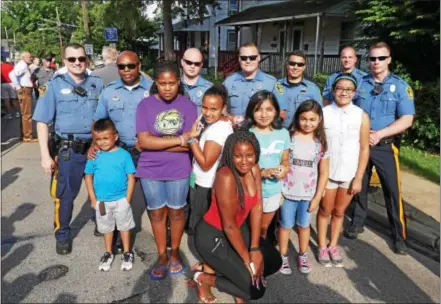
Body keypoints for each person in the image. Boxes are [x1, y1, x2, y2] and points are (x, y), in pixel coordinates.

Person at [189, 130, 282, 303]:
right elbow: (229, 226)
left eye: (249, 155)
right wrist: (247, 261)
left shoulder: (254, 170)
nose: (244, 161)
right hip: (213, 237)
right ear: (230, 155)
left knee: (274, 262)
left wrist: (254, 249)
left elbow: (257, 207)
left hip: (238, 230)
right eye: (238, 156)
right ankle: (203, 278)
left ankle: (227, 271)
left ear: (256, 154)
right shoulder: (225, 176)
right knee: (255, 291)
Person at [32, 43, 104, 255]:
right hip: (69, 150)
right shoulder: (53, 86)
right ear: (64, 62)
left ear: (87, 60)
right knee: (65, 195)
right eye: (72, 59)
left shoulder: (97, 84)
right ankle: (62, 233)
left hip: (95, 148)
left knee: (101, 189)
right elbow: (42, 122)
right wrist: (45, 156)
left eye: (81, 59)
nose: (77, 63)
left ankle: (101, 223)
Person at [344, 42, 415, 255]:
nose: (376, 63)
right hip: (361, 144)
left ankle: (399, 236)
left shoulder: (400, 86)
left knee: (392, 191)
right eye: (372, 59)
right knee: (359, 186)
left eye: (381, 58)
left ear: (389, 59)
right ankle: (357, 222)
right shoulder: (361, 84)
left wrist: (380, 134)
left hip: (385, 146)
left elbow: (407, 119)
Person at [136, 60, 197, 280]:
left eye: (172, 83)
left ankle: (174, 253)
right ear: (157, 84)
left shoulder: (188, 106)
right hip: (150, 169)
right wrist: (179, 139)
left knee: (177, 211)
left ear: (179, 83)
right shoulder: (145, 106)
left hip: (179, 169)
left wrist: (158, 143)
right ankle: (162, 255)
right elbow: (143, 142)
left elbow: (190, 143)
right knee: (157, 212)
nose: (168, 88)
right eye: (163, 83)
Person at [89, 50, 153, 244]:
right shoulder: (109, 91)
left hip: (147, 150)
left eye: (131, 66)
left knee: (152, 195)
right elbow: (99, 121)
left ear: (138, 66)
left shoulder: (152, 88)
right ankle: (115, 235)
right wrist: (94, 144)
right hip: (120, 150)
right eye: (122, 66)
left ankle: (161, 234)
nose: (126, 70)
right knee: (118, 195)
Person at [317, 74, 370, 267]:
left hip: (349, 173)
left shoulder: (361, 116)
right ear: (333, 90)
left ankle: (333, 245)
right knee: (325, 210)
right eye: (340, 88)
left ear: (354, 93)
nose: (344, 92)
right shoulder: (323, 113)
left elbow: (364, 148)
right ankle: (322, 246)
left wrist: (359, 178)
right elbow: (318, 144)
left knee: (339, 212)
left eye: (348, 89)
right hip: (328, 173)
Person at [279, 100, 329, 274]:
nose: (308, 123)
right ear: (297, 118)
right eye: (304, 119)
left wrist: (317, 197)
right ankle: (283, 256)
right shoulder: (288, 137)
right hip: (287, 193)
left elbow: (324, 173)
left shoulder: (321, 142)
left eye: (312, 119)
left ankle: (303, 254)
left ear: (319, 120)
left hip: (308, 195)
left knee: (304, 226)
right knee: (285, 225)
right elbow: (281, 163)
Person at [84, 119, 136, 271]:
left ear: (115, 137)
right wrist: (93, 199)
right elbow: (88, 176)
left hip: (121, 200)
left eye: (105, 138)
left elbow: (131, 177)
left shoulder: (124, 155)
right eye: (98, 139)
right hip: (102, 202)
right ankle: (108, 252)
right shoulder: (94, 156)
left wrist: (128, 199)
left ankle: (127, 252)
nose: (102, 142)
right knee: (106, 228)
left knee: (124, 227)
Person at [186, 84, 233, 234]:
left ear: (223, 107)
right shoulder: (219, 123)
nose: (207, 113)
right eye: (204, 107)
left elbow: (205, 164)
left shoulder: (217, 131)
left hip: (205, 183)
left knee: (200, 223)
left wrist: (192, 139)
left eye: (214, 109)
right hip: (205, 181)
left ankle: (201, 253)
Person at [245, 90, 290, 241]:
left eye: (269, 109)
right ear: (252, 111)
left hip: (273, 191)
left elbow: (285, 158)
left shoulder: (283, 133)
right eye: (258, 109)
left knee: (262, 230)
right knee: (249, 229)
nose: (264, 115)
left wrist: (284, 168)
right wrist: (263, 172)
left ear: (276, 111)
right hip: (250, 191)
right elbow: (240, 165)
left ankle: (259, 256)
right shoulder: (246, 133)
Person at [223, 42, 277, 127]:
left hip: (260, 134)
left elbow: (280, 112)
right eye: (244, 58)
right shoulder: (229, 82)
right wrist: (231, 118)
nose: (248, 61)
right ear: (239, 59)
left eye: (252, 58)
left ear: (258, 58)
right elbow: (221, 108)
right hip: (234, 132)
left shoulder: (272, 83)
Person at [273, 51, 322, 129]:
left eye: (300, 65)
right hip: (278, 132)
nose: (295, 67)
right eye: (292, 63)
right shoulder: (277, 85)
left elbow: (319, 114)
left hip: (301, 133)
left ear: (304, 67)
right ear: (287, 65)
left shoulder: (313, 89)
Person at [9, 51, 37, 142]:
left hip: (25, 89)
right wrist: (18, 87)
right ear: (23, 57)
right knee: (27, 114)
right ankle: (27, 136)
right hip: (25, 90)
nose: (31, 58)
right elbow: (12, 74)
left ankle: (24, 135)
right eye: (30, 57)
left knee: (25, 114)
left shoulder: (23, 65)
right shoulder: (22, 65)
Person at [181, 48, 213, 115]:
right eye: (189, 62)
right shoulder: (173, 86)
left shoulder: (210, 88)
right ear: (182, 62)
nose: (192, 66)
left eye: (197, 64)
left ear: (201, 65)